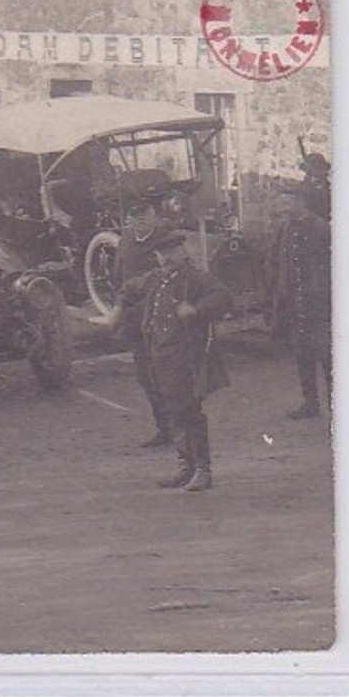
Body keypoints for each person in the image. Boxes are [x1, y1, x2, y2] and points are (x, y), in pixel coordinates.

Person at [112, 230, 233, 491]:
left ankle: (203, 470)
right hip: (160, 357)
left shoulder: (195, 278)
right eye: (160, 254)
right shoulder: (155, 278)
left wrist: (196, 310)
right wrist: (117, 310)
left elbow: (223, 296)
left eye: (170, 252)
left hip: (187, 358)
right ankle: (185, 467)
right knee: (174, 411)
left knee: (190, 412)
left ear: (183, 251)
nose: (165, 258)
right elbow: (128, 289)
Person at [116, 196, 175, 446]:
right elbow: (118, 276)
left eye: (144, 214)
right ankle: (164, 429)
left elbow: (174, 278)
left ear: (154, 215)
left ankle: (179, 427)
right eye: (134, 216)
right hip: (133, 321)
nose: (139, 221)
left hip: (160, 318)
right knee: (145, 376)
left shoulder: (167, 240)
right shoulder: (126, 240)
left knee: (167, 374)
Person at [272, 183, 332, 419]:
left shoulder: (320, 228)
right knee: (302, 355)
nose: (284, 208)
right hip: (296, 305)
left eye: (288, 203)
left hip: (319, 305)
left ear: (301, 202)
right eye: (283, 203)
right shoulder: (287, 228)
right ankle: (311, 404)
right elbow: (281, 263)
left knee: (328, 359)